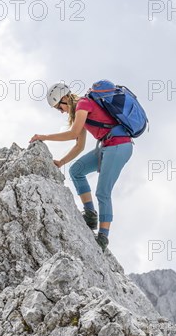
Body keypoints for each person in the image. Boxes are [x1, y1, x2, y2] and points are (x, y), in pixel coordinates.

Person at [29, 82, 133, 252]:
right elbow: (80, 145)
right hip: (107, 146)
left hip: (119, 146)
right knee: (76, 170)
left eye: (58, 107)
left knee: (102, 192)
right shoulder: (81, 110)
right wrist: (61, 162)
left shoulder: (83, 104)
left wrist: (44, 136)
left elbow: (73, 134)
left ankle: (103, 237)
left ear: (64, 98)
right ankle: (91, 216)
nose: (61, 111)